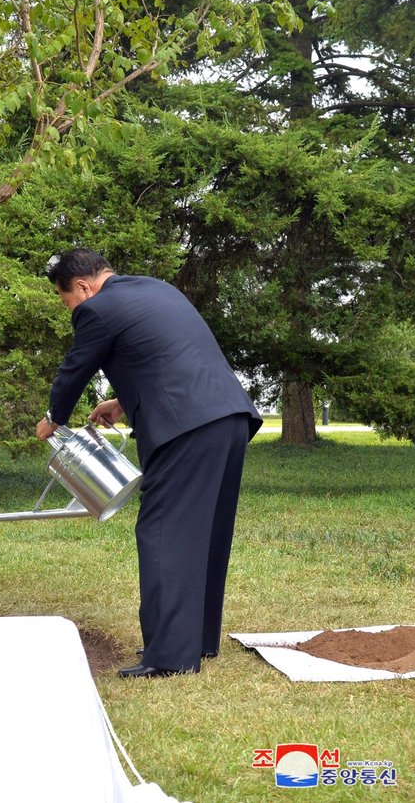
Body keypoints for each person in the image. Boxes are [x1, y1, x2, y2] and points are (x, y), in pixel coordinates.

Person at [35, 248, 261, 678]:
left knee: (163, 531)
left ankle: (170, 657)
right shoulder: (157, 289)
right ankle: (196, 640)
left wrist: (53, 419)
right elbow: (170, 354)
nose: (74, 310)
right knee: (206, 533)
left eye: (69, 302)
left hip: (188, 428)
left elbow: (75, 368)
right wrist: (123, 401)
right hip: (228, 417)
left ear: (82, 287)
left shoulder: (97, 309)